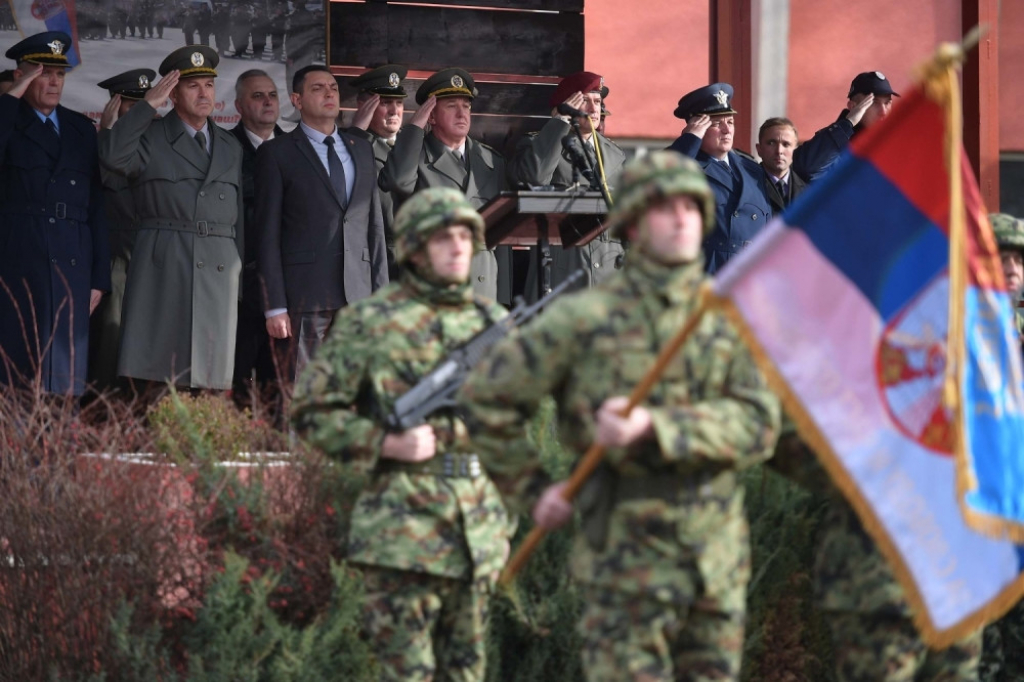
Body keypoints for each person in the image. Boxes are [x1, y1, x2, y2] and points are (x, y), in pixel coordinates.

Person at [460, 151, 780, 682]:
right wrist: (532, 488)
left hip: (713, 562)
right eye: (663, 207)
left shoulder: (724, 318)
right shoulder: (585, 319)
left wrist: (660, 428)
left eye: (691, 207)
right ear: (632, 220)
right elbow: (489, 400)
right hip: (623, 568)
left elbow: (759, 424)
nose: (680, 219)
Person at [290, 187, 514, 682]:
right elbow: (310, 413)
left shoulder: (492, 323)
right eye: (442, 239)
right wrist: (384, 443)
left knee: (466, 672)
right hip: (402, 532)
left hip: (476, 529)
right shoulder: (372, 322)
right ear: (413, 247)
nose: (458, 248)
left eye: (464, 236)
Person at [99, 45, 244, 391]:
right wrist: (146, 106)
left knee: (213, 378)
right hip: (165, 262)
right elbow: (112, 157)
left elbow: (236, 220)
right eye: (193, 86)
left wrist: (239, 267)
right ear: (173, 95)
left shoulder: (229, 145)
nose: (204, 93)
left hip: (219, 268)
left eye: (209, 85)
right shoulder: (150, 136)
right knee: (161, 375)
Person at [255, 65, 388, 382]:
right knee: (303, 392)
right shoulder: (277, 153)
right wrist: (274, 305)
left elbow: (375, 230)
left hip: (358, 297)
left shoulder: (361, 148)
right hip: (305, 295)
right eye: (318, 88)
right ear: (297, 100)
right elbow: (267, 234)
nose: (329, 93)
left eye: (333, 87)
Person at [0, 32, 111, 396]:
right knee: (18, 374)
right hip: (19, 261)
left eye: (59, 75)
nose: (53, 82)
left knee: (64, 377)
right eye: (42, 73)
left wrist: (99, 277)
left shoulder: (80, 128)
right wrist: (11, 98)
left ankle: (61, 451)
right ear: (23, 77)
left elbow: (96, 205)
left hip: (71, 262)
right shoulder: (9, 121)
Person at [379, 67, 510, 304]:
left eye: (466, 106)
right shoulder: (413, 157)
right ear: (431, 116)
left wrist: (503, 298)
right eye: (451, 106)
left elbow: (499, 237)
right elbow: (397, 181)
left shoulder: (491, 161)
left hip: (482, 291)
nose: (462, 114)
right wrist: (414, 127)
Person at [509, 70, 628, 297]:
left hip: (610, 276)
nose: (595, 110)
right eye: (585, 101)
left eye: (598, 101)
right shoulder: (540, 143)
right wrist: (559, 123)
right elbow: (535, 177)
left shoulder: (615, 153)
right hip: (563, 274)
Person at [88, 68, 157, 394]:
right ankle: (106, 417)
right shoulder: (100, 146)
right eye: (132, 105)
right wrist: (108, 132)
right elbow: (106, 178)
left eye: (145, 103)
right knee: (111, 345)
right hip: (120, 261)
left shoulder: (160, 142)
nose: (141, 112)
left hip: (157, 260)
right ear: (116, 106)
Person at [667, 82, 772, 273]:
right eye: (717, 124)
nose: (727, 130)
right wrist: (689, 141)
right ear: (697, 127)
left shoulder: (751, 170)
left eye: (730, 122)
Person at [229, 69, 283, 396]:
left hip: (285, 284)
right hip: (238, 283)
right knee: (234, 376)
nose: (267, 102)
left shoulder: (297, 147)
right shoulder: (223, 147)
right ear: (238, 106)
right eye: (257, 96)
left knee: (279, 380)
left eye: (272, 95)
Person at [346, 63, 408, 279]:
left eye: (399, 103)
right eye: (385, 102)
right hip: (375, 262)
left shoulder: (412, 147)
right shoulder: (352, 146)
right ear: (363, 105)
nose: (394, 110)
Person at [791, 70, 899, 182]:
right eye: (874, 102)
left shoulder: (897, 142)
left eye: (887, 103)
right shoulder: (834, 146)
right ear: (853, 107)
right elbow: (806, 169)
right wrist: (848, 123)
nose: (883, 112)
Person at [756, 117, 806, 213]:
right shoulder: (746, 186)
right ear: (759, 149)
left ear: (795, 150)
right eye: (771, 143)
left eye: (786, 144)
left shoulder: (809, 191)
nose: (779, 151)